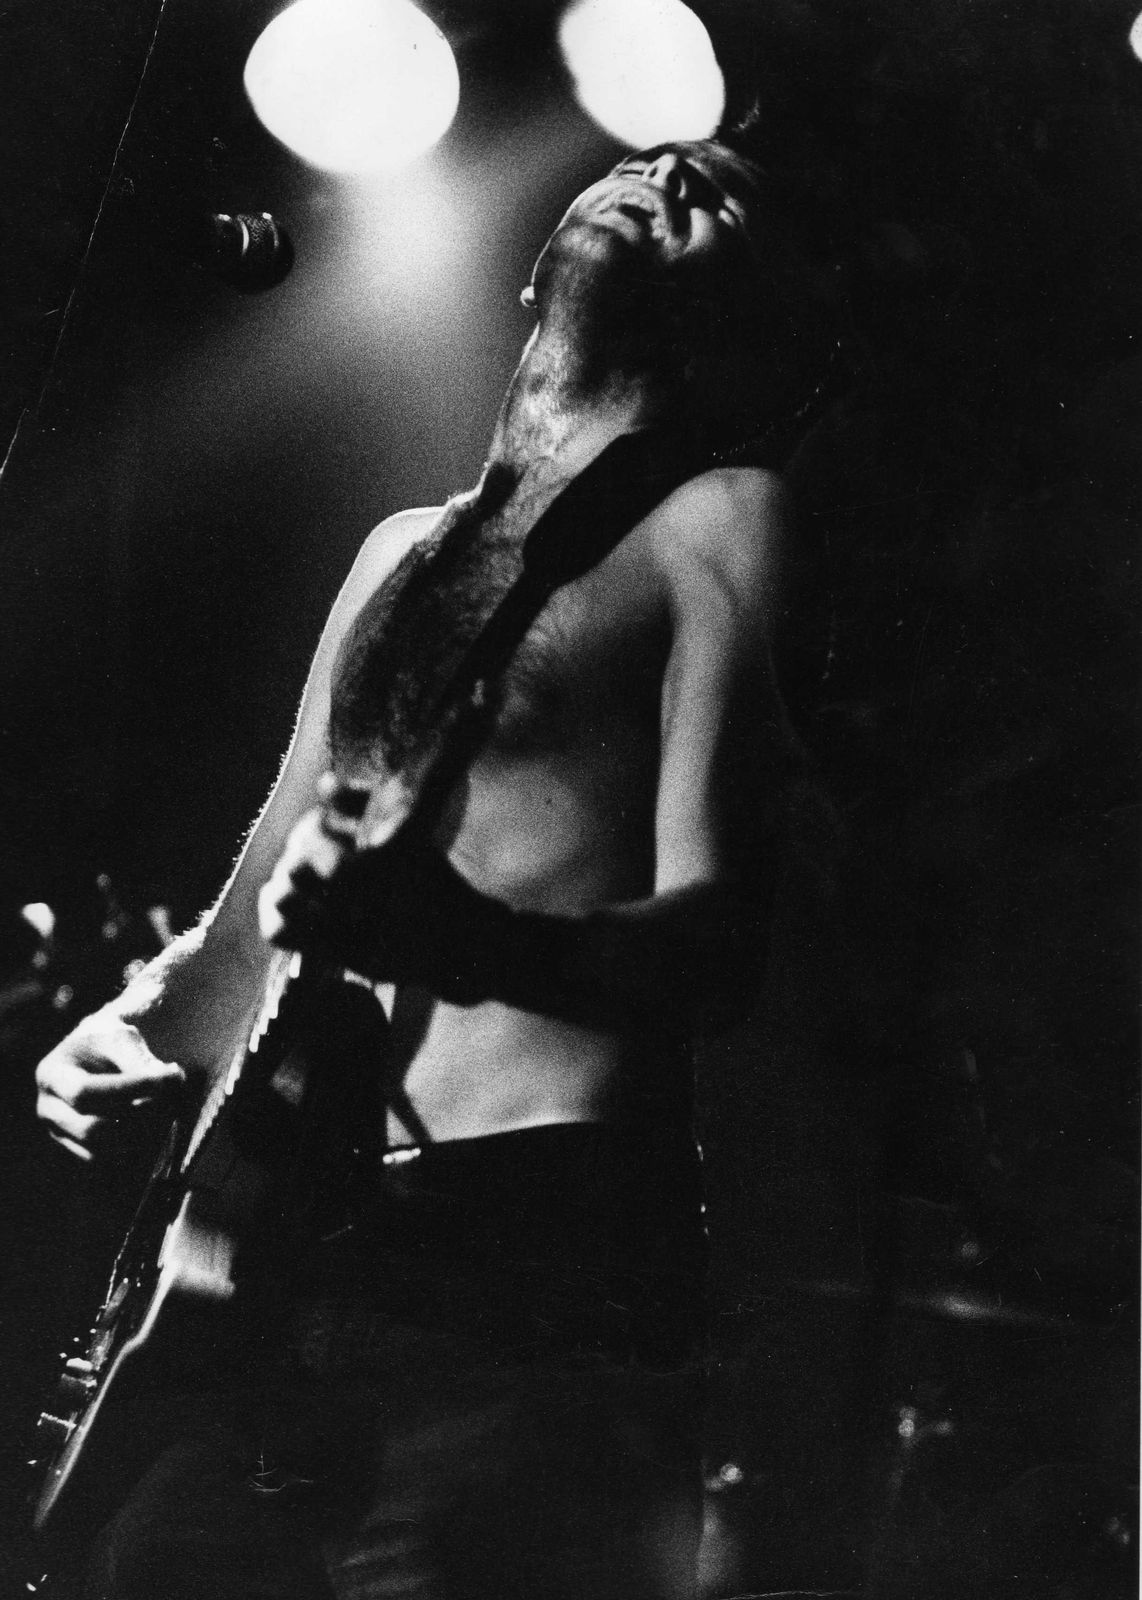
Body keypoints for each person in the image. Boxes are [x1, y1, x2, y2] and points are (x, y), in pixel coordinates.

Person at [35, 139, 820, 1600]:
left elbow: (721, 948)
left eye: (721, 195)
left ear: (753, 328)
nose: (667, 176)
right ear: (529, 273)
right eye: (646, 159)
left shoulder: (722, 518)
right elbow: (260, 921)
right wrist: (129, 1027)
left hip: (530, 1255)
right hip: (278, 1258)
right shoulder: (396, 551)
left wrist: (473, 943)